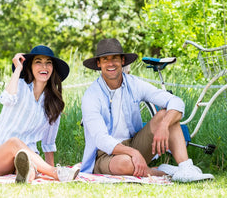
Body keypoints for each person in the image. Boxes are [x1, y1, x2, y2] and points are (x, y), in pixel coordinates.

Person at [80, 38, 214, 182]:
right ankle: (163, 172)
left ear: (123, 61)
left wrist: (164, 125)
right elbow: (101, 140)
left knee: (166, 114)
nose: (111, 63)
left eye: (115, 58)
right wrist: (133, 153)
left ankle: (186, 168)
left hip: (134, 142)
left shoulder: (134, 84)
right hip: (105, 154)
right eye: (105, 59)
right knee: (125, 163)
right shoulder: (91, 95)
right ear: (99, 64)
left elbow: (176, 102)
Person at [0, 45, 80, 183]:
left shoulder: (54, 103)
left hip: (27, 156)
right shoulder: (20, 85)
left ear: (53, 69)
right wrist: (17, 69)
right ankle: (58, 174)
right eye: (38, 62)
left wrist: (48, 165)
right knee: (14, 142)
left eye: (48, 63)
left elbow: (48, 142)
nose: (44, 67)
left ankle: (27, 175)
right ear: (30, 67)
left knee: (29, 168)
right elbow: (6, 99)